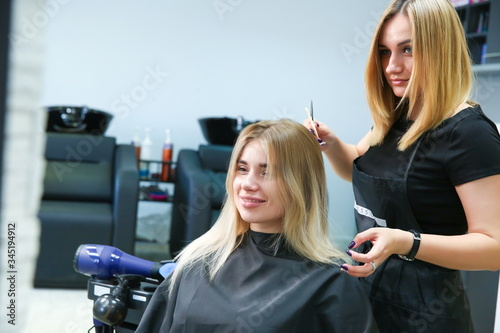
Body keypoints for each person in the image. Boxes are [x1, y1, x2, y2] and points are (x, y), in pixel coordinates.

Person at [304, 0, 500, 332]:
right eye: (384, 51)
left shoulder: (469, 134)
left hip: (427, 315)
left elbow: (493, 247)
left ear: (441, 50)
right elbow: (358, 169)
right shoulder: (396, 118)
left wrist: (406, 242)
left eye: (407, 49)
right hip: (369, 300)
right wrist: (332, 144)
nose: (392, 66)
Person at [136, 119, 374, 333]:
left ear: (300, 185)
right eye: (242, 169)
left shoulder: (331, 283)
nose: (247, 184)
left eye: (266, 172)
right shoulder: (196, 263)